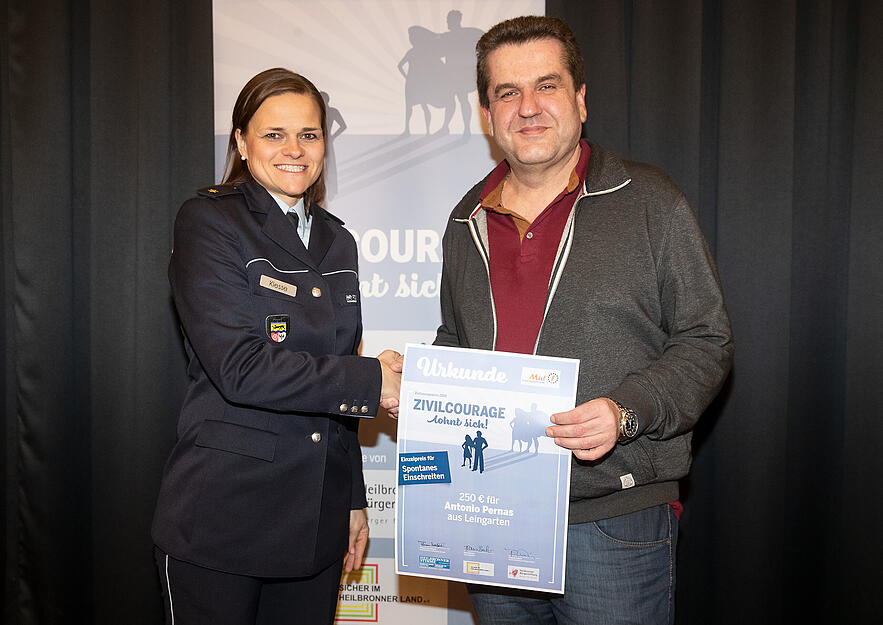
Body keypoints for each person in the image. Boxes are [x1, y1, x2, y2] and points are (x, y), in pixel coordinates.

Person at [433, 16, 733, 625]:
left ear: (580, 98)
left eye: (547, 85)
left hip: (612, 519)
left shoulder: (651, 202)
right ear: (487, 113)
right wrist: (418, 380)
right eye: (507, 93)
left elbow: (707, 340)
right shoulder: (467, 219)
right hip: (493, 512)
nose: (528, 108)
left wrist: (626, 411)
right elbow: (456, 341)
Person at [151, 68, 402, 625]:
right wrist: (373, 380)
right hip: (223, 522)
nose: (294, 150)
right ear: (241, 141)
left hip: (314, 524)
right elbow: (241, 368)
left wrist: (353, 499)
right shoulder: (209, 221)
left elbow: (334, 387)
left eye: (309, 135)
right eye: (274, 134)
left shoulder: (340, 240)